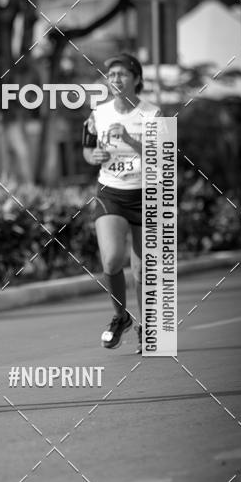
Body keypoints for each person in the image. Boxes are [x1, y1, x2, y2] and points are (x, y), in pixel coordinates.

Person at [83, 52, 160, 352]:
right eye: (111, 75)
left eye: (122, 75)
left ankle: (148, 326)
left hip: (147, 195)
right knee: (112, 259)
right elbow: (87, 150)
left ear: (137, 79)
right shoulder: (98, 114)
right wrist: (95, 157)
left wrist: (129, 141)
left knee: (143, 270)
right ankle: (120, 317)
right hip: (111, 193)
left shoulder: (152, 114)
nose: (115, 80)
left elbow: (162, 156)